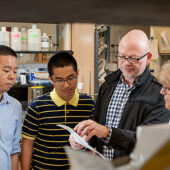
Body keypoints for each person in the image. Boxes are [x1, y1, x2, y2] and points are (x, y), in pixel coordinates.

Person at [69, 29, 170, 160]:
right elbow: (97, 122)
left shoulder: (159, 94)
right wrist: (83, 139)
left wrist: (107, 132)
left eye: (133, 58)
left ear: (148, 58)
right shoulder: (108, 85)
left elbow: (148, 142)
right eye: (122, 57)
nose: (126, 62)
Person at [21, 52, 95, 169]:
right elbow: (27, 143)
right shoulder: (37, 106)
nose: (66, 85)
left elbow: (94, 142)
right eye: (60, 80)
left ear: (77, 73)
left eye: (70, 78)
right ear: (51, 79)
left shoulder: (89, 104)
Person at [0, 45, 22, 170]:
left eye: (14, 71)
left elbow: (14, 150)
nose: (12, 76)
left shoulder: (15, 106)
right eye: (6, 70)